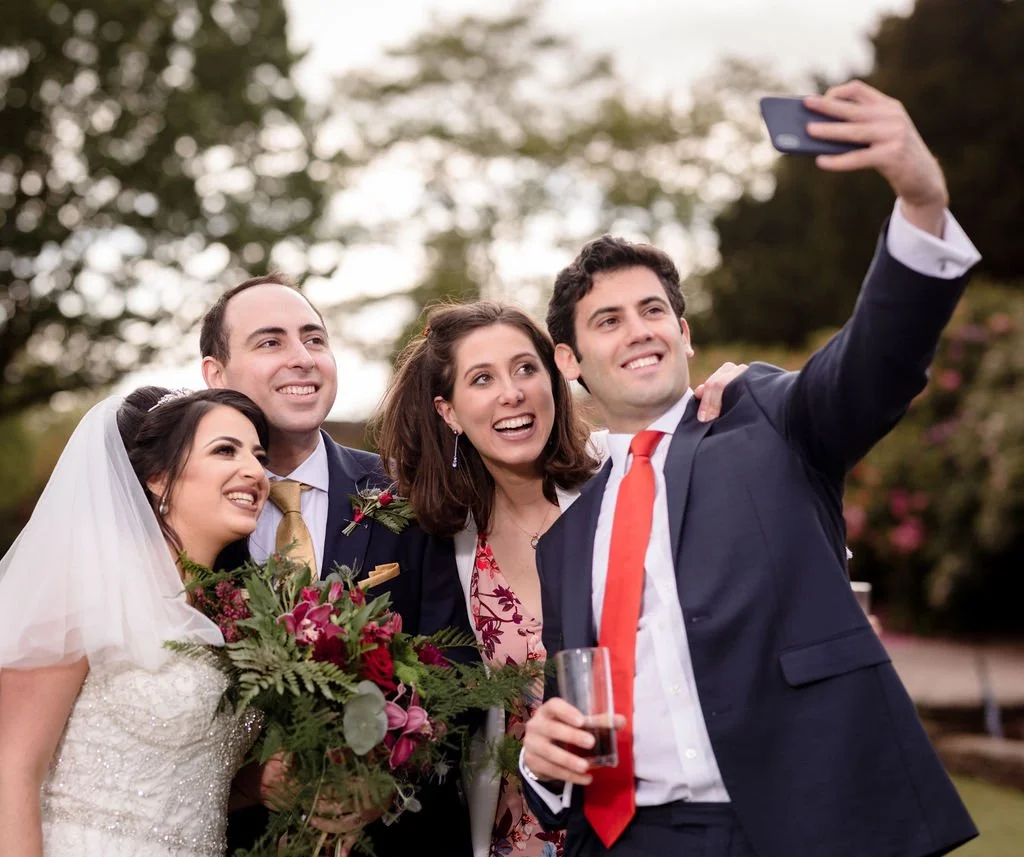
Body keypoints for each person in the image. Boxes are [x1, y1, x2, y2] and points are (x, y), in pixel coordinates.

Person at [520, 81, 981, 857]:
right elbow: (570, 719)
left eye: (653, 311)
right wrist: (544, 758)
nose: (638, 331)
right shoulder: (566, 540)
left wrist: (921, 203)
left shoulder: (769, 416)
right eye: (608, 320)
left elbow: (875, 361)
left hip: (800, 825)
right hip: (630, 839)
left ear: (684, 333)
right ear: (570, 359)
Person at [373, 301, 745, 857]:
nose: (512, 393)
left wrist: (750, 402)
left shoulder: (630, 474)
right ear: (449, 412)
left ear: (555, 379)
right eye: (482, 379)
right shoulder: (445, 542)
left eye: (526, 369)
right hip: (523, 826)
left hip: (660, 813)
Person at [198, 276, 478, 855]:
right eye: (270, 342)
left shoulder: (411, 493)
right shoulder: (184, 513)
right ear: (216, 374)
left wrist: (384, 781)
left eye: (314, 339)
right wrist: (247, 781)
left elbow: (461, 669)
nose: (302, 358)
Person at [0, 386, 271, 857]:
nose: (255, 471)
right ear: (159, 478)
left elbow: (190, 782)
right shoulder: (85, 588)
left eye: (258, 455)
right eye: (226, 450)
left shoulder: (238, 615)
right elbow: (12, 768)